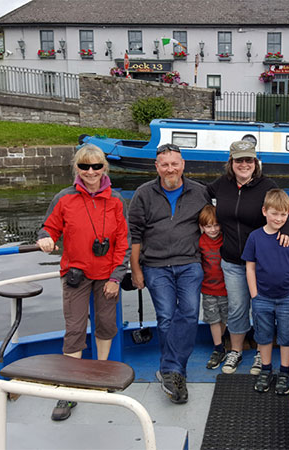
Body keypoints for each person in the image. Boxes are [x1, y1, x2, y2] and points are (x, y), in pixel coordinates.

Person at [36, 144, 129, 421]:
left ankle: (101, 375)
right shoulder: (64, 198)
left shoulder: (116, 200)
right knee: (75, 328)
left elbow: (124, 241)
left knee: (105, 323)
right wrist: (45, 237)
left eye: (96, 166)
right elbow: (49, 227)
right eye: (85, 166)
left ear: (105, 168)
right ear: (77, 168)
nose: (91, 172)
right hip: (75, 273)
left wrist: (116, 277)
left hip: (107, 275)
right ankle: (69, 388)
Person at [128, 143, 210, 404]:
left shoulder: (200, 193)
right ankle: (174, 372)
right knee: (165, 317)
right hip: (155, 265)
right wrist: (136, 270)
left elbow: (213, 223)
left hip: (189, 263)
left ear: (183, 164)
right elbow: (135, 236)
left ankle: (172, 369)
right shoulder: (143, 194)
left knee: (188, 313)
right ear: (157, 167)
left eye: (175, 163)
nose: (170, 169)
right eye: (165, 164)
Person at [207, 140, 289, 375]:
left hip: (261, 263)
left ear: (255, 163)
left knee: (261, 308)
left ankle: (260, 354)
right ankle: (236, 350)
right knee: (237, 307)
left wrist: (288, 229)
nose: (244, 164)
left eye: (249, 160)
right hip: (232, 261)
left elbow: (285, 209)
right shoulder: (221, 185)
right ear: (231, 163)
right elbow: (199, 196)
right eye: (239, 160)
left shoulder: (267, 186)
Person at [242, 189, 289, 395]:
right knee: (263, 335)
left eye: (283, 214)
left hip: (287, 297)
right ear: (264, 211)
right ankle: (266, 369)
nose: (278, 218)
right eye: (274, 213)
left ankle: (284, 372)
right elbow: (250, 267)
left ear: (288, 214)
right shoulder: (254, 237)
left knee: (287, 336)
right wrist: (254, 294)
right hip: (262, 297)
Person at [198, 204, 229, 369]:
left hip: (225, 288)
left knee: (225, 317)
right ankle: (218, 347)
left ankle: (222, 340)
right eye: (208, 226)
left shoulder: (225, 239)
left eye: (216, 225)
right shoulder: (200, 242)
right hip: (208, 289)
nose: (213, 230)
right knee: (213, 319)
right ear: (201, 227)